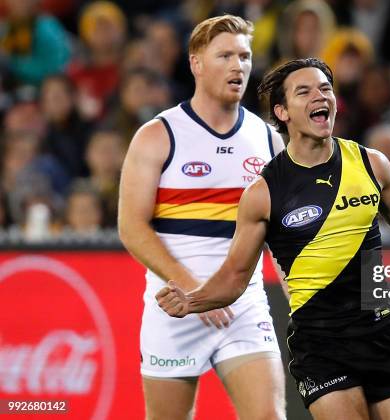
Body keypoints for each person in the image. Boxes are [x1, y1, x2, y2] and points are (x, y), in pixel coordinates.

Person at [155, 58, 390, 419]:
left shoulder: (371, 163)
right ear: (282, 112)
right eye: (305, 91)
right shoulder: (263, 193)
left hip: (381, 333)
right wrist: (192, 300)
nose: (320, 97)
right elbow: (235, 276)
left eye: (325, 88)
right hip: (320, 343)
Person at [118, 15, 286, 420]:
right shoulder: (158, 135)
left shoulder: (268, 139)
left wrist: (304, 297)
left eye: (244, 56)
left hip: (243, 306)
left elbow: (283, 234)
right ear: (196, 63)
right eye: (225, 55)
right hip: (176, 305)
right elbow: (131, 227)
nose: (238, 66)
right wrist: (194, 290)